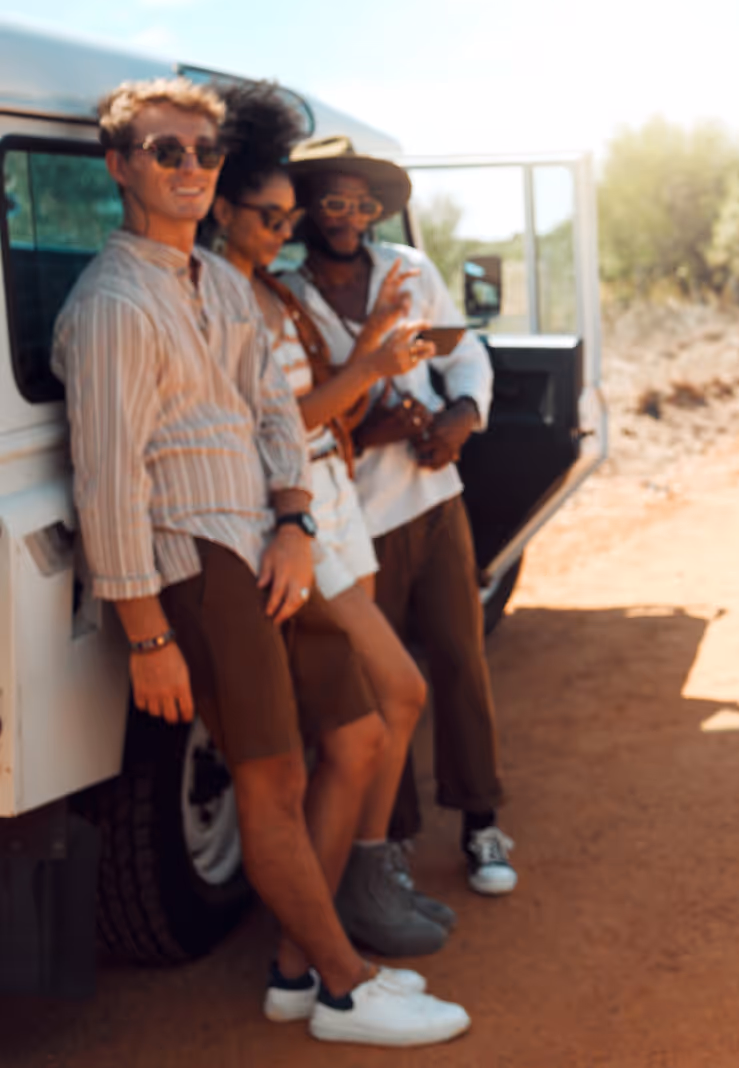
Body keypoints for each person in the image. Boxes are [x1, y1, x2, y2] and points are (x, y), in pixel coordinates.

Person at [53, 77, 469, 1047]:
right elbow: (109, 482)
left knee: (351, 731)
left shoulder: (222, 281)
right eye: (167, 152)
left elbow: (276, 415)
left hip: (267, 548)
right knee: (271, 780)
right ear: (121, 168)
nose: (190, 169)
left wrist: (292, 518)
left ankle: (300, 976)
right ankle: (340, 985)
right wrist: (147, 631)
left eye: (202, 153)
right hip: (195, 555)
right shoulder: (112, 303)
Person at [205, 82, 459, 956]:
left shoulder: (264, 292)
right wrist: (371, 363)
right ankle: (327, 926)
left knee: (377, 713)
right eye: (270, 215)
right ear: (224, 210)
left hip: (326, 501)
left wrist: (377, 348)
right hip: (293, 513)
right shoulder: (222, 298)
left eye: (288, 215)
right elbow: (278, 424)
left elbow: (312, 407)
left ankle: (349, 898)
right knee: (392, 700)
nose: (285, 229)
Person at [278, 137, 516, 896]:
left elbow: (464, 352)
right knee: (383, 685)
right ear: (306, 209)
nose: (349, 218)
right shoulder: (285, 298)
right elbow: (288, 418)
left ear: (378, 211)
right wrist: (364, 424)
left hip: (433, 502)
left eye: (363, 204)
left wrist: (462, 414)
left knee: (458, 655)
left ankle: (481, 820)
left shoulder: (410, 272)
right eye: (332, 202)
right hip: (354, 517)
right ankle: (394, 843)